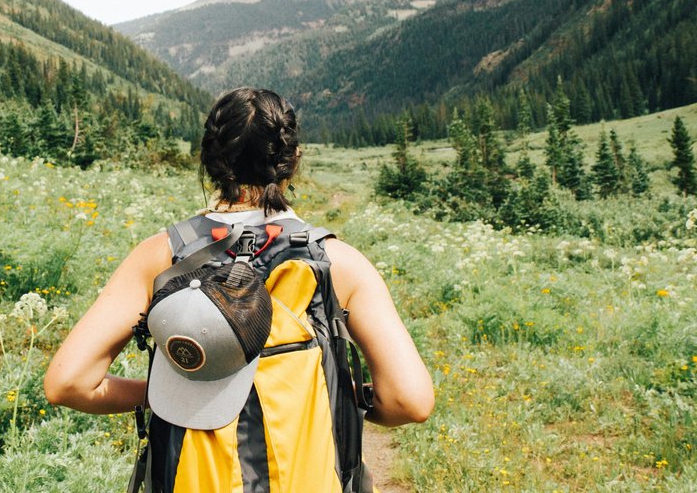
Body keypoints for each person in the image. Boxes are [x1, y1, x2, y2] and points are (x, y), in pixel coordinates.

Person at [45, 87, 433, 491]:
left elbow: (68, 383)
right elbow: (410, 400)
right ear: (292, 161)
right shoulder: (337, 262)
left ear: (209, 160)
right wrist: (339, 394)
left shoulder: (161, 256)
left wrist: (158, 393)